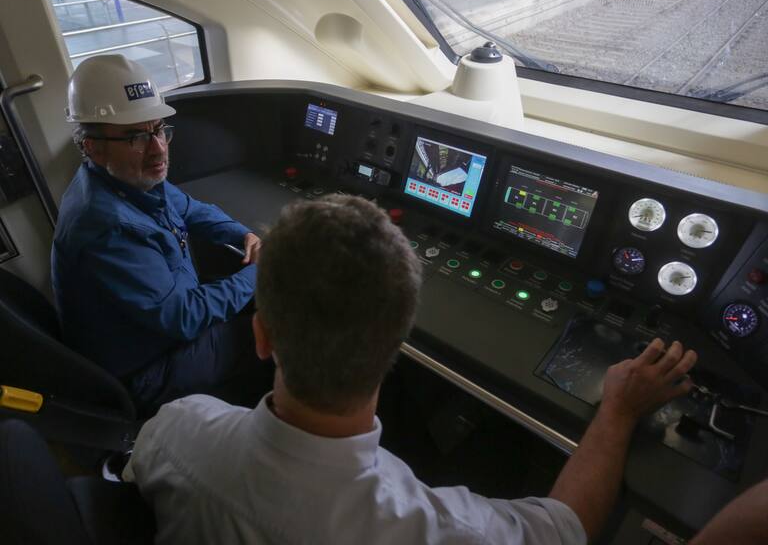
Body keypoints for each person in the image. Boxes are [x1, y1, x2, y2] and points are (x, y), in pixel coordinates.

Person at [124, 194, 697, 545]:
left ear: (261, 335)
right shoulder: (449, 532)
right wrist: (618, 409)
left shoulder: (174, 430)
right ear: (395, 344)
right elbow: (569, 525)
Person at [52, 54, 268, 414]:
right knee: (280, 328)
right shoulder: (106, 226)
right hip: (148, 371)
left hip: (162, 328)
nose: (158, 149)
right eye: (136, 137)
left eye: (158, 130)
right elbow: (184, 317)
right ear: (93, 146)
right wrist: (260, 271)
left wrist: (244, 235)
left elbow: (189, 209)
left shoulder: (124, 177)